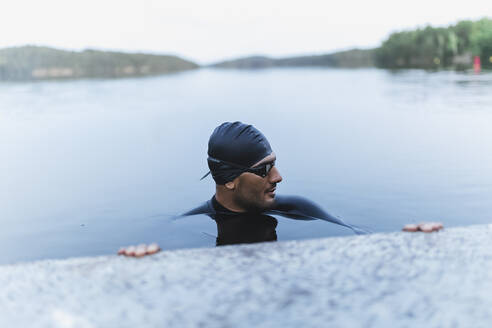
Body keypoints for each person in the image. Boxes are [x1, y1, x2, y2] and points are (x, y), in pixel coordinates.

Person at [118, 122, 443, 257]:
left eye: (274, 164)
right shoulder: (183, 227)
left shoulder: (299, 209)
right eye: (264, 169)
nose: (278, 177)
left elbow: (366, 239)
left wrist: (407, 243)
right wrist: (142, 259)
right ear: (229, 179)